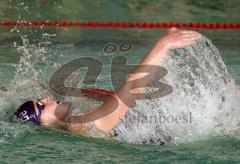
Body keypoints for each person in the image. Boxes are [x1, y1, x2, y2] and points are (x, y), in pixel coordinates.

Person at [12, 28, 201, 135]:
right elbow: (132, 86)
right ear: (43, 123)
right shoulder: (83, 125)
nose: (46, 98)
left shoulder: (75, 123)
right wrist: (163, 44)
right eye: (41, 106)